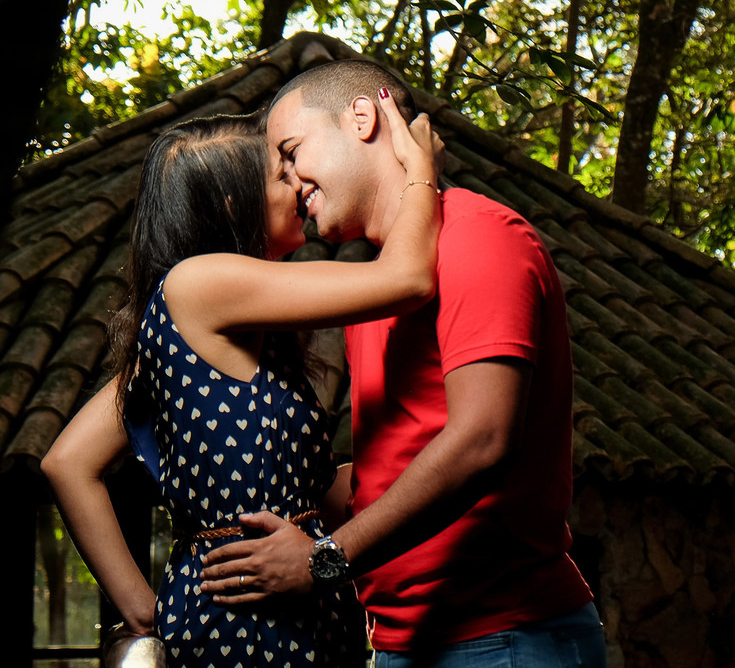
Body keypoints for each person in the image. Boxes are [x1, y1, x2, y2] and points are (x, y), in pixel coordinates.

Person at [198, 59, 605, 667]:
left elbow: (483, 440)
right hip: (404, 643)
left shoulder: (476, 237)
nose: (288, 181)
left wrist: (321, 559)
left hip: (500, 638)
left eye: (292, 150)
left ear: (362, 118)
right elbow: (394, 466)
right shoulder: (384, 285)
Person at [42, 89, 442, 668]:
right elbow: (406, 279)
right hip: (243, 624)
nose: (300, 182)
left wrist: (438, 458)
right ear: (234, 202)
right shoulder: (199, 282)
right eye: (281, 173)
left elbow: (67, 460)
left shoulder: (229, 329)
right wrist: (418, 168)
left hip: (301, 606)